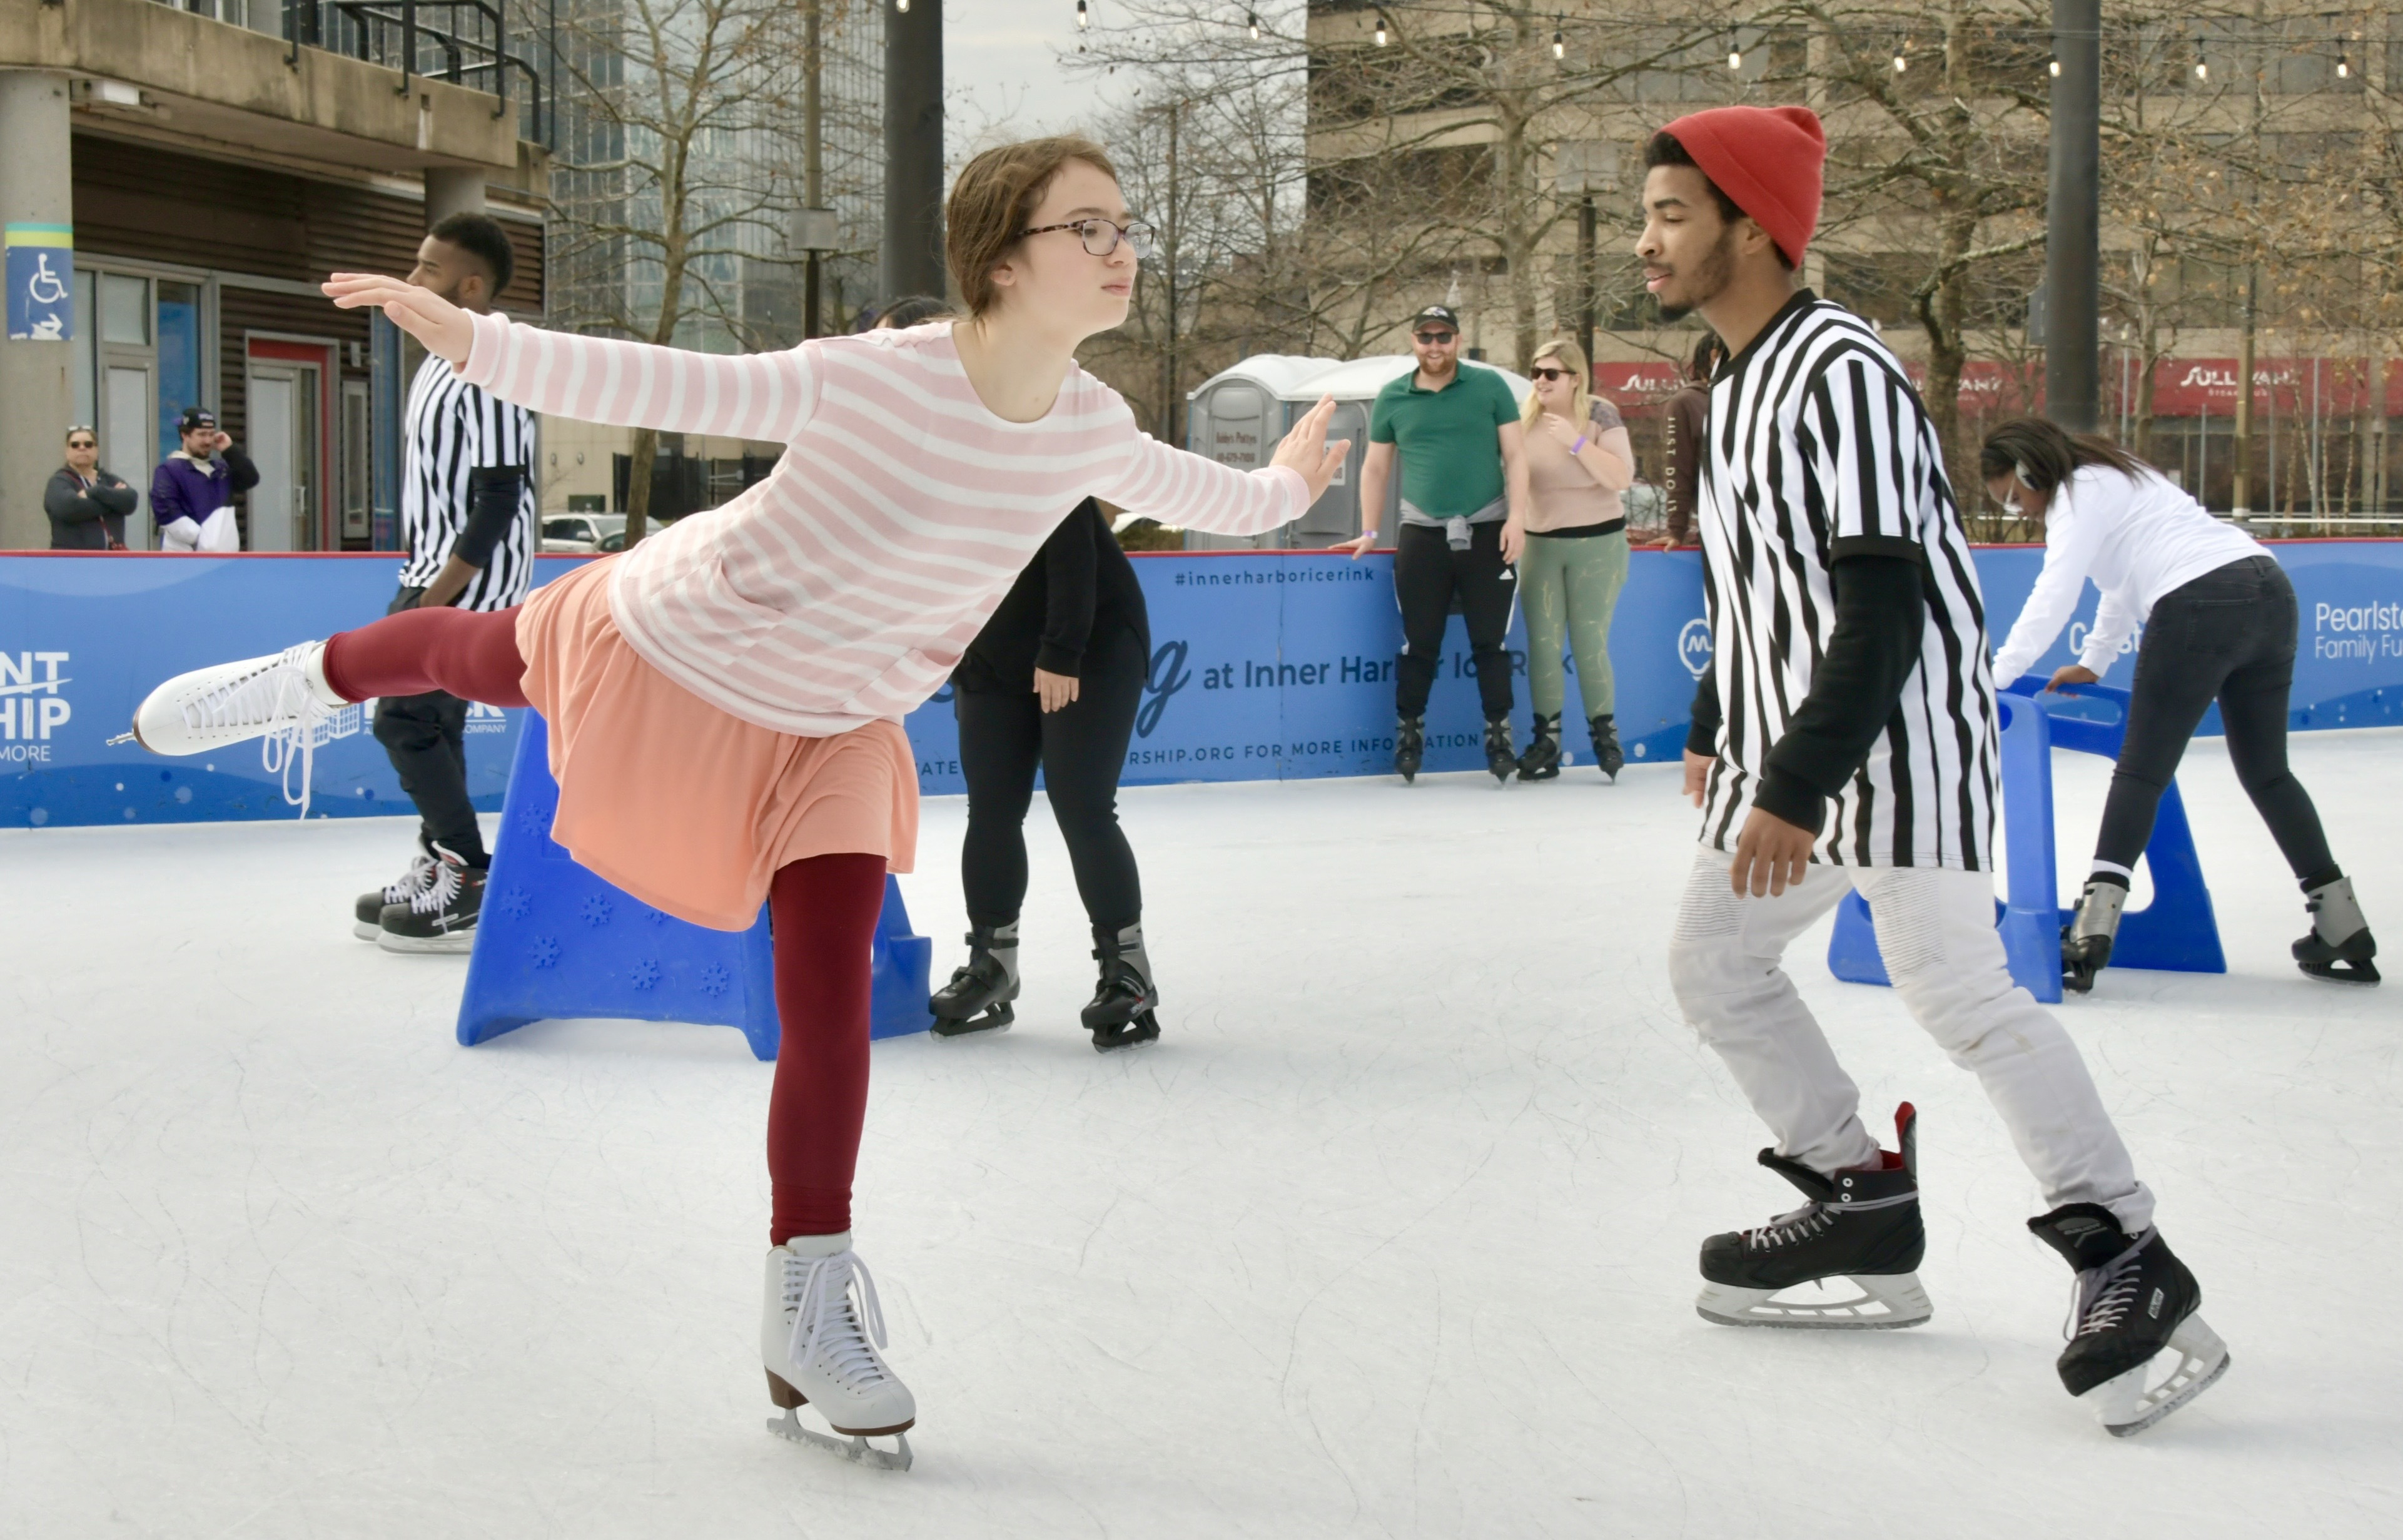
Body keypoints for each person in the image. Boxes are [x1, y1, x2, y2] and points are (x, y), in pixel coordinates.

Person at [123, 136, 1348, 1468]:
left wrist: (1294, 480)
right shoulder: (882, 375)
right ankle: (307, 677)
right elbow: (664, 379)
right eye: (1089, 229)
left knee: (829, 1004)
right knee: (480, 653)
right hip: (679, 649)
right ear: (1003, 258)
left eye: (1123, 229)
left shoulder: (1089, 427)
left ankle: (806, 1296)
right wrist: (478, 340)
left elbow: (1221, 494)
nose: (1122, 252)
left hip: (832, 725)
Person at [1641, 105, 2225, 1436]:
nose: (1648, 238)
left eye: (1675, 212)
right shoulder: (1724, 379)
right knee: (1713, 963)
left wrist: (1795, 785)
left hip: (1890, 743)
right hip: (1787, 740)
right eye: (1649, 213)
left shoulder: (1835, 365)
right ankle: (1857, 1192)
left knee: (1957, 992)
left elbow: (1881, 597)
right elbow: (1754, 586)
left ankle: (2124, 1246)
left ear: (1753, 224)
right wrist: (1710, 712)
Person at [1983, 417, 2379, 990]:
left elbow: (2056, 592)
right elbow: (2119, 583)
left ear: (2030, 470)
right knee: (2268, 774)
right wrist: (2097, 658)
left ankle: (2091, 932)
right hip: (2269, 593)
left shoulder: (2077, 495)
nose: (2021, 513)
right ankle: (2343, 922)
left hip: (2198, 605)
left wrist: (1996, 676)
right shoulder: (2123, 474)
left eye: (2014, 500)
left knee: (2141, 772)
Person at [353, 213, 542, 955]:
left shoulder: (490, 362)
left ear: (469, 286)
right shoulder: (437, 358)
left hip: (467, 583)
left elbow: (500, 494)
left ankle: (467, 875)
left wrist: (438, 596)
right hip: (428, 570)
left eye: (427, 270)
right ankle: (443, 861)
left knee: (402, 718)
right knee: (431, 723)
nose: (411, 279)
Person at [931, 496, 1162, 1051]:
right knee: (990, 804)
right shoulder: (926, 465)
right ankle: (991, 964)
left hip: (1092, 637)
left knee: (1080, 801)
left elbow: (1072, 555)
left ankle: (1128, 971)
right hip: (993, 645)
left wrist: (1061, 652)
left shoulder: (1032, 443)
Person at [1335, 304, 1533, 783]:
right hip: (1422, 534)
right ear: (1413, 340)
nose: (1435, 346)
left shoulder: (1489, 387)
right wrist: (1368, 530)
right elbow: (1376, 468)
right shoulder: (1393, 398)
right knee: (1420, 642)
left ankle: (1499, 736)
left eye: (1444, 336)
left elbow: (1516, 455)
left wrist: (1519, 519)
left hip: (1489, 530)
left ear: (1458, 341)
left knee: (1491, 642)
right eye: (1426, 337)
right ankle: (1409, 735)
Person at [1510, 338, 1636, 783]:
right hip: (1541, 543)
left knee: (1588, 642)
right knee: (1542, 644)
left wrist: (1577, 441)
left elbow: (1622, 476)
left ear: (1575, 378)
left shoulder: (1599, 413)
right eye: (1536, 372)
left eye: (1551, 373)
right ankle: (1547, 739)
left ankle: (1605, 734)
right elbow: (1511, 480)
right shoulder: (1522, 419)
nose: (1540, 381)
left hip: (1597, 544)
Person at [151, 407, 257, 552]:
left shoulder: (221, 469)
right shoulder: (170, 470)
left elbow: (251, 479)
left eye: (211, 434)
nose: (208, 441)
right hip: (185, 560)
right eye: (201, 435)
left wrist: (229, 450)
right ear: (185, 435)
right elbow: (166, 512)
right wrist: (204, 540)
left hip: (224, 560)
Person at [1656, 332, 1725, 549]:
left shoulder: (1748, 396)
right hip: (1717, 525)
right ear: (1715, 356)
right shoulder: (1687, 403)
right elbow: (1678, 469)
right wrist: (1676, 529)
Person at [44, 425, 138, 550]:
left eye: (88, 444)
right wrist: (113, 503)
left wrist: (96, 491)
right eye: (75, 445)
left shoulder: (107, 479)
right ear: (67, 452)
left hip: (112, 560)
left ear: (96, 450)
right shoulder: (59, 481)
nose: (82, 448)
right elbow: (70, 508)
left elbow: (130, 501)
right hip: (71, 561)